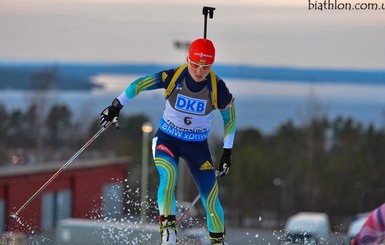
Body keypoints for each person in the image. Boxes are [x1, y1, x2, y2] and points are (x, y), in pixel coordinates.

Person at [99, 38, 236, 245]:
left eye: (205, 66)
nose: (199, 71)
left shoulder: (218, 88)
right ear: (187, 59)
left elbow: (230, 119)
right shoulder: (173, 77)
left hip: (197, 147)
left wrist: (227, 151)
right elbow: (139, 85)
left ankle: (219, 241)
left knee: (210, 196)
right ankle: (168, 230)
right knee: (169, 175)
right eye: (195, 64)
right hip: (167, 140)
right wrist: (116, 105)